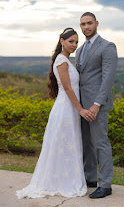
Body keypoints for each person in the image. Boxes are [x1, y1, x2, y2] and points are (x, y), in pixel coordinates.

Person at [16, 28, 95, 199]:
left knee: (68, 145)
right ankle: (60, 183)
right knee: (62, 144)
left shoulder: (66, 60)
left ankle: (66, 179)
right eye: (70, 41)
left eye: (76, 42)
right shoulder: (61, 60)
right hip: (65, 110)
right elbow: (67, 88)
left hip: (70, 110)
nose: (74, 45)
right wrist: (80, 109)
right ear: (62, 41)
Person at [75, 12, 118, 199]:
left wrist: (96, 104)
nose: (86, 27)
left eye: (89, 23)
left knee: (100, 143)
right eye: (83, 24)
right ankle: (90, 178)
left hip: (96, 105)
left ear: (97, 23)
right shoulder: (80, 49)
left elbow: (107, 79)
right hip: (81, 106)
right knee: (86, 143)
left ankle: (105, 184)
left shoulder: (107, 46)